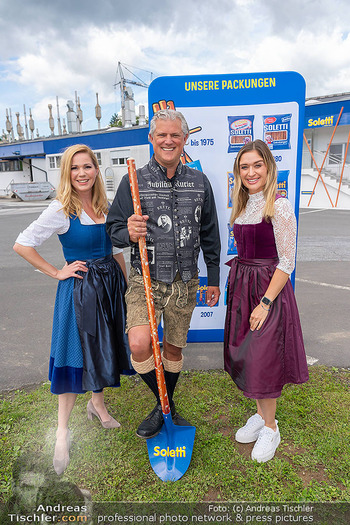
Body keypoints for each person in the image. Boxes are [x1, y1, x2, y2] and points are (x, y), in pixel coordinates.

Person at [13, 144, 133, 475]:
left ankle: (97, 405)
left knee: (102, 349)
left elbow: (118, 250)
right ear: (67, 173)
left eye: (88, 166)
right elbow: (22, 244)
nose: (82, 173)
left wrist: (125, 287)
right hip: (79, 290)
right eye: (74, 168)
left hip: (110, 287)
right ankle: (62, 433)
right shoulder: (60, 209)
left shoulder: (105, 205)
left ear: (96, 170)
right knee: (74, 355)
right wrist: (56, 271)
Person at [106, 109, 221, 439]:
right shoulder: (134, 180)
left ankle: (162, 408)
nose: (168, 140)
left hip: (185, 281)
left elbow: (210, 232)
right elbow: (112, 230)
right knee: (140, 344)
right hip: (146, 279)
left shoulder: (199, 182)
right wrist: (126, 230)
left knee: (173, 350)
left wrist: (212, 277)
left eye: (175, 135)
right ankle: (165, 402)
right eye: (161, 135)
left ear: (185, 139)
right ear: (151, 139)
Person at [224, 139, 309, 463]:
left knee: (264, 360)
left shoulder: (280, 205)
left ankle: (271, 428)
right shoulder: (242, 205)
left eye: (257, 165)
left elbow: (286, 261)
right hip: (243, 288)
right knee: (248, 355)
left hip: (266, 292)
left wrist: (265, 303)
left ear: (268, 167)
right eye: (244, 167)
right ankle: (260, 415)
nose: (251, 172)